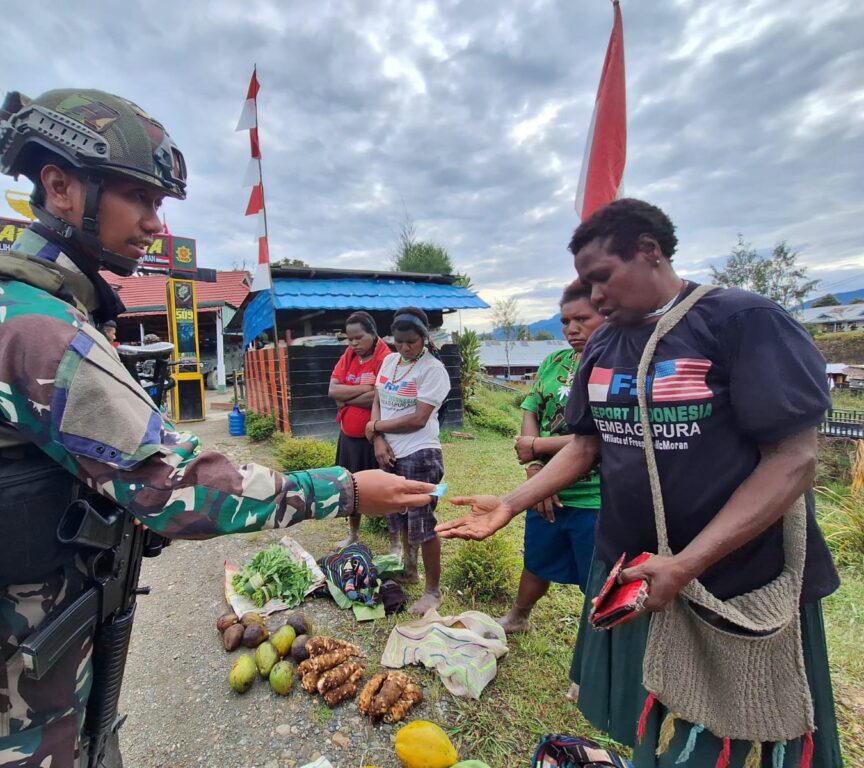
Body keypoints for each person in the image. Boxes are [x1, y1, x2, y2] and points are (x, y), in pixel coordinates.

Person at [0, 88, 435, 768]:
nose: (155, 223)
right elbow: (174, 486)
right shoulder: (32, 324)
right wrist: (345, 489)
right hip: (6, 635)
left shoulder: (28, 305)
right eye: (139, 198)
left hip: (18, 616)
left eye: (160, 203)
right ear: (60, 187)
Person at [438, 199, 842, 767]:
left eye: (602, 276)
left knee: (733, 731)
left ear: (650, 251)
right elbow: (586, 444)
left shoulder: (740, 321)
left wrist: (688, 563)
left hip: (736, 578)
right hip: (635, 570)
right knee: (650, 718)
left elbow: (793, 460)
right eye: (587, 283)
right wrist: (511, 502)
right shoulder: (605, 345)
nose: (595, 296)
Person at [501, 281, 605, 637]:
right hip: (546, 489)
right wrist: (535, 472)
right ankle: (518, 617)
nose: (572, 329)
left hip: (595, 496)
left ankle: (598, 643)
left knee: (598, 578)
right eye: (565, 321)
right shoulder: (554, 361)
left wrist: (536, 447)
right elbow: (531, 407)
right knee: (537, 559)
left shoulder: (617, 367)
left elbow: (600, 437)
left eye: (582, 319)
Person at [365, 307, 451, 614]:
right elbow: (378, 398)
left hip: (420, 454)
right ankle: (410, 570)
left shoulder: (433, 370)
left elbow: (418, 418)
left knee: (422, 523)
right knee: (399, 514)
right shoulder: (389, 361)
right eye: (398, 341)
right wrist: (377, 438)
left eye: (411, 342)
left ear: (424, 338)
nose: (404, 347)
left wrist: (375, 427)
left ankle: (433, 592)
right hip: (389, 452)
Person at [329, 311, 394, 549]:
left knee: (386, 489)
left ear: (373, 334)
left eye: (359, 338)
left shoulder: (386, 358)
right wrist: (366, 389)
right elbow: (332, 391)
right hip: (349, 438)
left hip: (377, 438)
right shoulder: (348, 356)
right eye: (350, 339)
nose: (354, 344)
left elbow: (381, 397)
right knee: (351, 487)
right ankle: (353, 534)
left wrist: (347, 398)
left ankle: (395, 541)